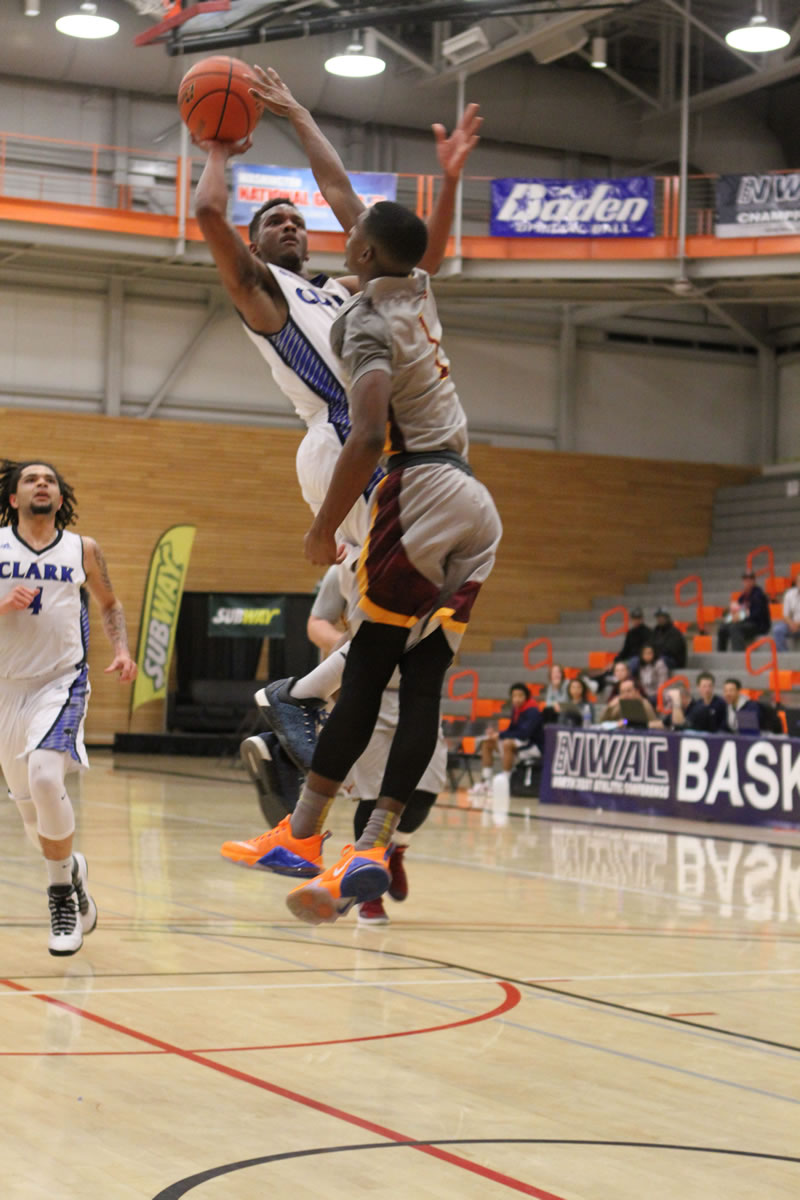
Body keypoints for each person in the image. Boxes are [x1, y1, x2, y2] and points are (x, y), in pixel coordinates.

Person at [194, 66, 482, 760]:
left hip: (380, 451)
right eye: (274, 222)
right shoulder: (264, 292)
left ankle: (304, 707)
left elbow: (361, 209)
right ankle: (306, 707)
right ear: (256, 246)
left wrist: (296, 113)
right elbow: (208, 215)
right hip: (343, 441)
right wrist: (215, 149)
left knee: (414, 614)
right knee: (408, 615)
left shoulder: (346, 288)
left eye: (296, 219)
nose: (291, 224)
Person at [234, 198, 501, 925]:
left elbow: (368, 436)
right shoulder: (416, 291)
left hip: (415, 490)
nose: (337, 229)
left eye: (349, 232)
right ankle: (374, 849)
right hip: (477, 503)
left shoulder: (362, 321)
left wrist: (322, 531)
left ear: (361, 256)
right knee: (421, 687)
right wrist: (447, 185)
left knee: (372, 674)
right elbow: (385, 224)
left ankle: (301, 828)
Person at [232, 563, 446, 926]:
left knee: (423, 796)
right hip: (364, 693)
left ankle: (394, 849)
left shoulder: (431, 560)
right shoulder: (346, 565)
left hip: (417, 692)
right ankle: (367, 896)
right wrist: (355, 648)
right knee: (372, 793)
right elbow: (316, 622)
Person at [0, 460, 137, 956]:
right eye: (31, 479)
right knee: (33, 823)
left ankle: (59, 895)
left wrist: (121, 649)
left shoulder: (84, 549)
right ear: (13, 499)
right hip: (5, 692)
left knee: (45, 778)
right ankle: (72, 870)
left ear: (59, 498)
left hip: (61, 681)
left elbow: (108, 604)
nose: (42, 483)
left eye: (50, 480)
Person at [469, 682, 543, 798]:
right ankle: (486, 782)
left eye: (520, 695)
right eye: (514, 696)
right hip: (520, 742)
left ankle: (505, 782)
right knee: (488, 742)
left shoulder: (533, 711)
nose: (517, 699)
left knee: (508, 744)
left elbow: (524, 734)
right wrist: (495, 735)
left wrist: (500, 735)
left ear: (526, 696)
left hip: (533, 746)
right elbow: (511, 729)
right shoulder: (516, 710)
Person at [717, 571, 771, 652]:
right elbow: (737, 612)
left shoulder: (759, 595)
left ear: (754, 581)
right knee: (722, 628)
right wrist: (730, 618)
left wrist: (741, 617)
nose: (747, 582)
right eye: (745, 580)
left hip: (758, 624)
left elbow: (757, 614)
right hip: (745, 623)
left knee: (734, 628)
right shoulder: (742, 597)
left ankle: (739, 656)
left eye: (750, 579)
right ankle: (721, 654)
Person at [771, 576, 800, 652]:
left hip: (797, 624)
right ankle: (784, 656)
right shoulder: (789, 594)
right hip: (792, 625)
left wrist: (797, 624)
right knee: (778, 630)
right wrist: (791, 624)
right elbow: (785, 615)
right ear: (797, 583)